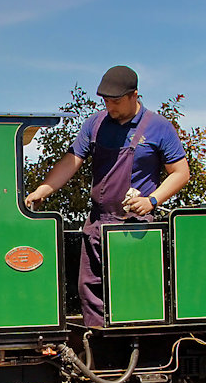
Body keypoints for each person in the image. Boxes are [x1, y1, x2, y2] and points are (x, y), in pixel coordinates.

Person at [25, 65, 190, 327]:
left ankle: (137, 359)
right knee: (88, 291)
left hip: (136, 228)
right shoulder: (95, 123)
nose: (109, 106)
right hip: (98, 224)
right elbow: (72, 159)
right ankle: (97, 353)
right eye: (105, 100)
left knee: (133, 295)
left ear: (134, 95)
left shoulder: (159, 127)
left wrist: (152, 201)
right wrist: (44, 189)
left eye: (115, 101)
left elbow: (181, 173)